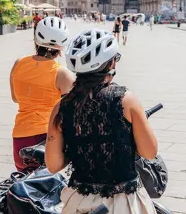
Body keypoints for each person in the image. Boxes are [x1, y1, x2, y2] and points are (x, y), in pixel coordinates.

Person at [46, 29, 159, 213]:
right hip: (124, 203)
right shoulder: (126, 100)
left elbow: (53, 165)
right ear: (111, 63)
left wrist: (78, 146)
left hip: (79, 202)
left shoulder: (61, 108)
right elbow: (150, 152)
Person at [9, 16, 76, 172]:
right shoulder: (62, 74)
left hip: (20, 139)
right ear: (61, 46)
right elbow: (75, 111)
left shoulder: (19, 63)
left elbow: (15, 98)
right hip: (46, 140)